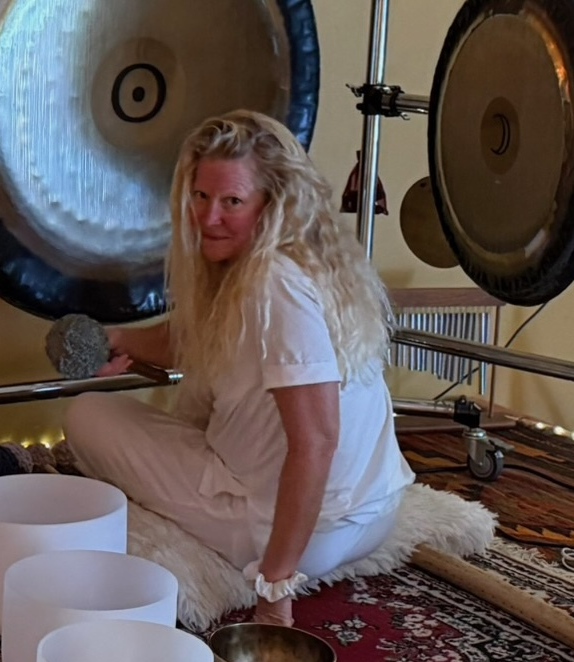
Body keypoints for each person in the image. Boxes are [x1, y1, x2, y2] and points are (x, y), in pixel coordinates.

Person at [63, 110, 414, 627]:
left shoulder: (275, 284)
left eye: (232, 201)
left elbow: (317, 440)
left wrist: (275, 586)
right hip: (375, 513)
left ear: (272, 204)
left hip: (299, 535)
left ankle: (261, 556)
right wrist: (122, 340)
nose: (209, 218)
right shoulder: (311, 261)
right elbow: (199, 337)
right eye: (201, 196)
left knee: (87, 415)